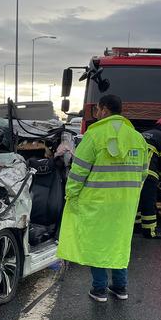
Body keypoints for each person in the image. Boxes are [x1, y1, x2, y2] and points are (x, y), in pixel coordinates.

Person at [57, 94, 149, 302]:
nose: (96, 114)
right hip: (126, 204)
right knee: (119, 243)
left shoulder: (94, 136)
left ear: (105, 110)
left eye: (97, 110)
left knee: (97, 243)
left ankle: (99, 289)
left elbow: (78, 172)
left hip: (97, 202)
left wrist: (71, 195)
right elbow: (143, 172)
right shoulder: (137, 137)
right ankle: (120, 287)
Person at [136, 118, 161, 239]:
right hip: (149, 173)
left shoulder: (142, 134)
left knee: (137, 200)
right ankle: (150, 231)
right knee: (148, 202)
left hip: (133, 173)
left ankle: (136, 227)